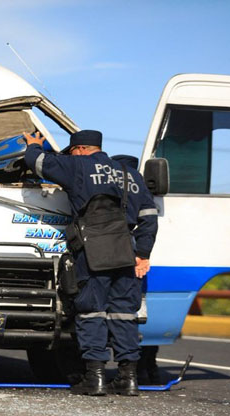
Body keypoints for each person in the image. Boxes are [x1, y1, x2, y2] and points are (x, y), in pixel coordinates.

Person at [23, 130, 158, 396]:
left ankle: (94, 378)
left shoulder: (79, 166)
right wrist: (143, 253)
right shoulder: (130, 174)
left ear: (81, 149)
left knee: (91, 311)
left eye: (73, 151)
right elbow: (149, 216)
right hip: (126, 250)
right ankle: (128, 378)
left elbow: (37, 162)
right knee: (124, 313)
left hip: (93, 249)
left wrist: (34, 145)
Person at [112, 154, 162, 386]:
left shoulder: (106, 183)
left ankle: (97, 373)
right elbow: (149, 224)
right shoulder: (141, 188)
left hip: (102, 255)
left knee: (97, 312)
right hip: (134, 257)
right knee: (129, 313)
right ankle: (138, 371)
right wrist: (142, 254)